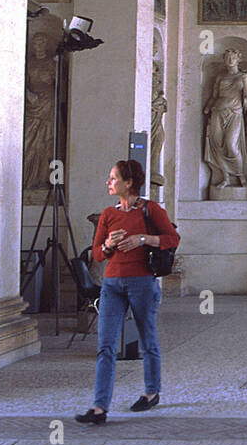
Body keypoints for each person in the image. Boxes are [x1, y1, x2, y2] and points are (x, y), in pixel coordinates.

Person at [75, 159, 179, 424]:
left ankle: (151, 391)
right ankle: (99, 408)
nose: (108, 182)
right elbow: (97, 253)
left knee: (148, 340)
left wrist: (142, 239)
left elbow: (172, 239)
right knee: (106, 345)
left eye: (113, 178)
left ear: (128, 182)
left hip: (142, 283)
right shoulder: (108, 215)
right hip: (112, 284)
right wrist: (109, 245)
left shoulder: (150, 210)